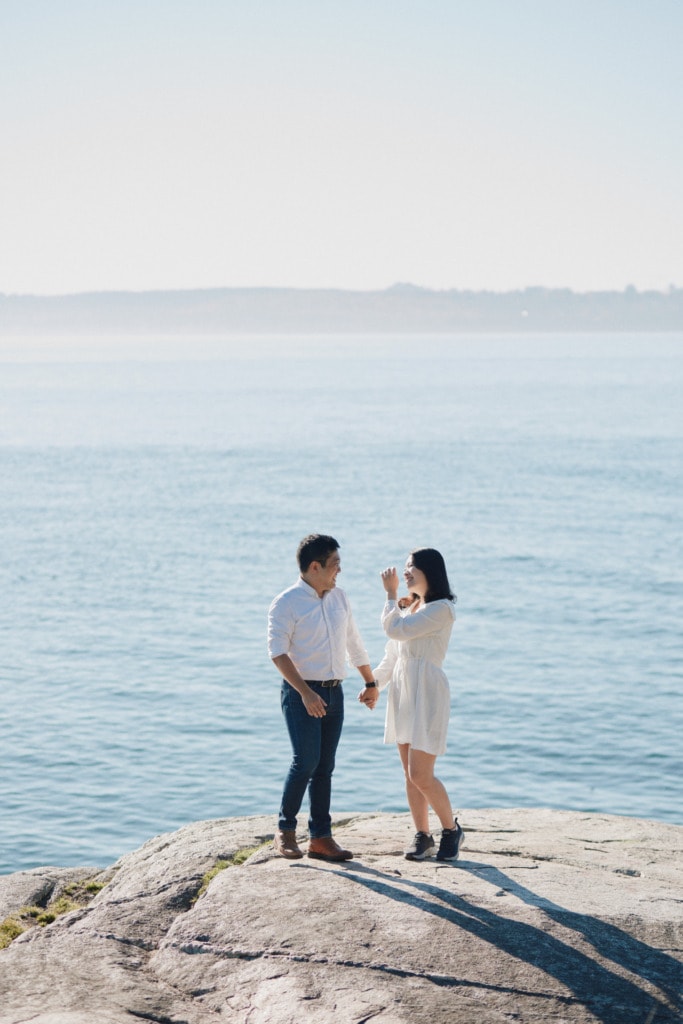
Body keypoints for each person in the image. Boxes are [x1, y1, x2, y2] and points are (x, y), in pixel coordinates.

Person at [268, 534, 377, 862]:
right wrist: (305, 692)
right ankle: (285, 831)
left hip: (335, 691)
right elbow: (277, 653)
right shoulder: (286, 602)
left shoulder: (339, 597)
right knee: (305, 762)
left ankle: (320, 838)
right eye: (335, 566)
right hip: (302, 692)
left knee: (325, 767)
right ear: (314, 567)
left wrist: (370, 681)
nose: (339, 571)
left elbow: (353, 641)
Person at [359, 548, 464, 862]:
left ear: (430, 571)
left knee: (421, 773)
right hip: (404, 690)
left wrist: (390, 595)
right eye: (405, 567)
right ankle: (422, 835)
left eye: (411, 567)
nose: (405, 572)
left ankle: (451, 830)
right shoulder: (410, 608)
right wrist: (373, 684)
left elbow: (395, 630)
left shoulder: (442, 609)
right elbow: (393, 655)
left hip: (428, 691)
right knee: (408, 773)